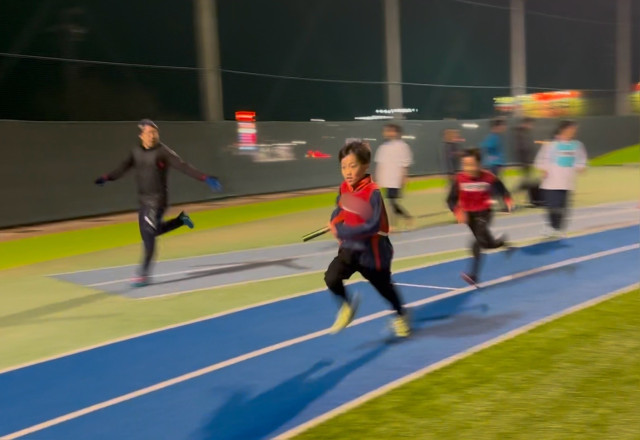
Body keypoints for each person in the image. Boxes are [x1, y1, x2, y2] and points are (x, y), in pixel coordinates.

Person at [94, 119, 222, 287]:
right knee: (151, 233)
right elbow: (122, 168)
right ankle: (180, 220)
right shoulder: (135, 152)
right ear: (141, 135)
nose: (152, 136)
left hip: (158, 200)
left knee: (149, 236)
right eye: (148, 133)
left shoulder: (163, 152)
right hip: (143, 201)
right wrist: (107, 177)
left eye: (155, 132)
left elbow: (183, 166)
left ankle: (143, 274)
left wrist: (205, 178)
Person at [325, 140, 410, 338]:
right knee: (331, 278)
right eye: (344, 167)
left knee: (385, 289)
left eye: (353, 166)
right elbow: (340, 209)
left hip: (373, 254)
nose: (348, 172)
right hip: (350, 249)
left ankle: (400, 315)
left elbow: (373, 226)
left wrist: (343, 232)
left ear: (365, 166)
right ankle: (347, 306)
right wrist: (334, 221)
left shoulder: (373, 192)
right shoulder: (344, 188)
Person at [447, 148, 514, 286]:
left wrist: (507, 199)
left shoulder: (488, 177)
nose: (468, 168)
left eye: (471, 165)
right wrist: (458, 211)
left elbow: (502, 189)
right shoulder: (459, 179)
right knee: (488, 244)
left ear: (479, 164)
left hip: (484, 213)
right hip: (469, 216)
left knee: (477, 241)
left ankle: (473, 275)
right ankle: (502, 242)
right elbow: (450, 200)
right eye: (465, 165)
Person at [534, 120, 587, 238]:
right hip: (551, 182)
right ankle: (551, 226)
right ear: (563, 129)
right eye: (571, 129)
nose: (573, 132)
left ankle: (558, 228)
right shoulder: (550, 145)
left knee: (563, 208)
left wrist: (581, 167)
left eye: (574, 130)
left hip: (567, 182)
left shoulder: (577, 145)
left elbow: (581, 159)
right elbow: (540, 160)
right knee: (552, 206)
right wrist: (543, 169)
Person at [374, 124, 414, 229]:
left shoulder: (403, 146)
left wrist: (404, 177)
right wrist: (377, 179)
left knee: (392, 202)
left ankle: (393, 224)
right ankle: (404, 218)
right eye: (387, 131)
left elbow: (406, 163)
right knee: (390, 202)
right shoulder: (383, 147)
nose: (388, 133)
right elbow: (380, 164)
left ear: (397, 133)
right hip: (386, 179)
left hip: (396, 179)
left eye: (391, 131)